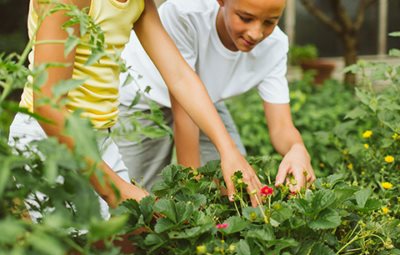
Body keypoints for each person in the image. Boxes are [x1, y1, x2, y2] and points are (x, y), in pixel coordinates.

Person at [8, 0, 263, 220]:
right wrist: (115, 190)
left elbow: (179, 76)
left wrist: (228, 150)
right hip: (49, 139)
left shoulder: (139, 3)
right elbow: (47, 104)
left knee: (122, 251)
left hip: (99, 139)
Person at [116, 0, 315, 194]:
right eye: (245, 18)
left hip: (204, 102)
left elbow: (281, 127)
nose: (256, 33)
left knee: (237, 182)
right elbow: (184, 105)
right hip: (143, 96)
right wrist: (191, 191)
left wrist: (296, 148)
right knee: (136, 194)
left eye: (270, 22)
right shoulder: (185, 14)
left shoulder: (275, 45)